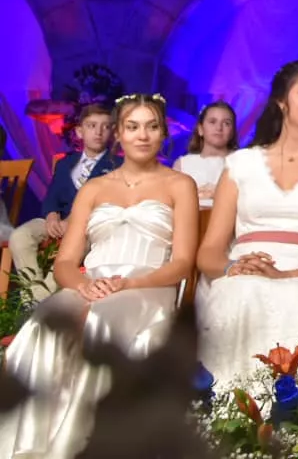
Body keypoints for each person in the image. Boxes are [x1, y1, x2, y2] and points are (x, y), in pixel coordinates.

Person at [0, 95, 199, 459]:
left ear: (163, 133)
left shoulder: (179, 184)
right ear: (118, 135)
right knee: (44, 326)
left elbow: (183, 261)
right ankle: (30, 447)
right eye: (132, 126)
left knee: (103, 323)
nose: (142, 135)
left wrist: (130, 283)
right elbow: (65, 262)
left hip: (148, 282)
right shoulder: (93, 188)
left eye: (151, 126)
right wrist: (83, 284)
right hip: (90, 280)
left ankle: (79, 446)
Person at [196, 59, 298, 387]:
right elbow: (209, 253)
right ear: (281, 101)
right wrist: (233, 267)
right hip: (245, 271)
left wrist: (286, 275)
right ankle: (227, 415)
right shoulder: (241, 164)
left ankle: (292, 421)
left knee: (296, 299)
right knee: (239, 293)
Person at [8, 102, 119, 296]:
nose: (98, 132)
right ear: (79, 131)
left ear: (113, 132)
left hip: (89, 226)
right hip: (58, 221)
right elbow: (52, 196)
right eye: (92, 126)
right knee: (20, 236)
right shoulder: (65, 163)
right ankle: (33, 295)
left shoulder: (118, 165)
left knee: (74, 245)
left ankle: (41, 300)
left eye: (105, 127)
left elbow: (108, 203)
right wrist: (51, 215)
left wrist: (75, 222)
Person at [174, 99, 238, 205]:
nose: (219, 128)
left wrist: (220, 194)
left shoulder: (242, 163)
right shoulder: (182, 164)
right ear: (200, 129)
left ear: (232, 132)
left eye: (226, 123)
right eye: (212, 122)